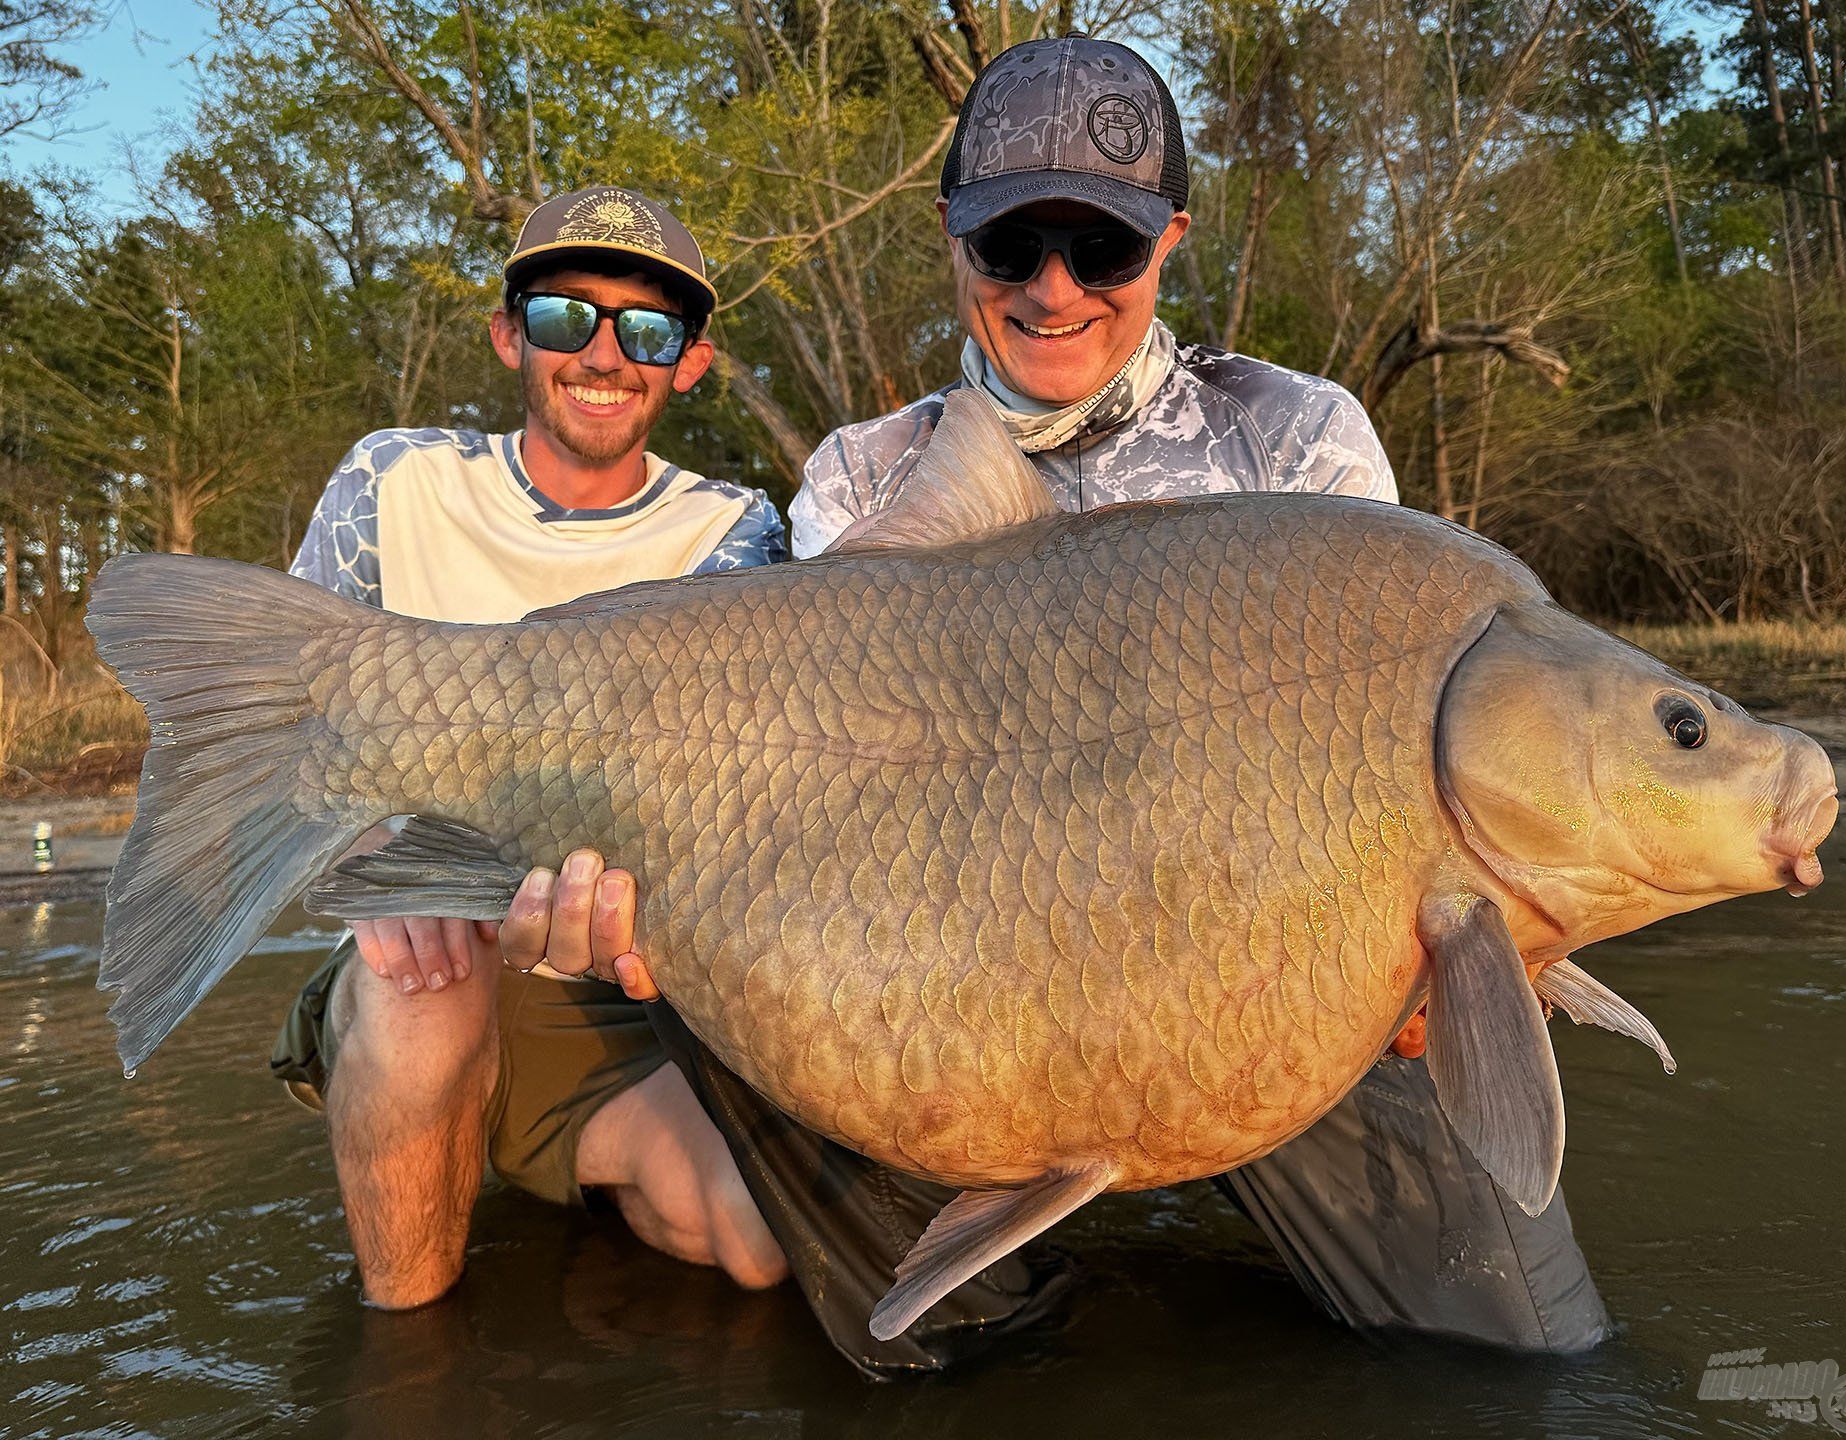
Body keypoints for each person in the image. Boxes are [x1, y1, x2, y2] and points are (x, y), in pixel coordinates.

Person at [505, 39, 1610, 1365]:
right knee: (888, 1303)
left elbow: (1390, 794)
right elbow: (803, 828)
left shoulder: (1300, 446)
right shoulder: (863, 481)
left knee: (1523, 1361)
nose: (1053, 290)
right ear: (952, 240)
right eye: (1010, 246)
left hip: (1276, 1001)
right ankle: (987, 1321)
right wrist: (621, 903)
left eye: (1102, 249)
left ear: (1172, 242)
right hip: (956, 1001)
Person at [269, 186, 791, 1312]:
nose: (605, 353)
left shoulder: (739, 534)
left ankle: (540, 1152)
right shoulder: (391, 481)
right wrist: (369, 850)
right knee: (424, 978)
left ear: (688, 363)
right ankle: (403, 1344)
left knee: (758, 1243)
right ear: (510, 334)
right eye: (566, 317)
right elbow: (280, 720)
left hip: (623, 984)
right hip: (423, 950)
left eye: (646, 330)